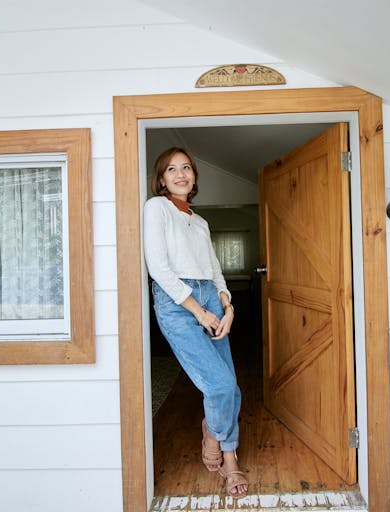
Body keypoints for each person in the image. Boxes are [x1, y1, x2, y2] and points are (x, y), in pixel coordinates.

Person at [143, 146, 248, 498]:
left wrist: (227, 307)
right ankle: (211, 431)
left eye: (186, 168)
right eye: (171, 169)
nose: (180, 174)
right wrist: (198, 311)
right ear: (161, 179)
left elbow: (215, 270)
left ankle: (230, 460)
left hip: (210, 298)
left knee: (230, 388)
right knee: (218, 386)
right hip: (177, 302)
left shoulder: (200, 221)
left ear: (194, 176)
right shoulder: (156, 208)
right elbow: (158, 268)